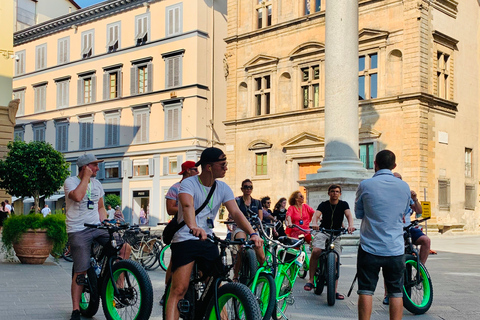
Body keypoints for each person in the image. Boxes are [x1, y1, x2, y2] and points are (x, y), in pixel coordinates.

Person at [165, 147, 264, 320]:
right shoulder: (189, 184)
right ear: (209, 167)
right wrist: (193, 226)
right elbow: (187, 206)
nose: (226, 167)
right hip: (185, 237)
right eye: (222, 164)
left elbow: (236, 213)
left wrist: (253, 233)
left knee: (216, 287)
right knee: (179, 289)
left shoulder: (223, 187)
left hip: (207, 238)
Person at [64, 154, 131, 320]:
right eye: (94, 165)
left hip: (97, 227)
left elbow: (100, 207)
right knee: (81, 270)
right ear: (85, 167)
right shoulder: (70, 182)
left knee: (124, 248)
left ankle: (118, 285)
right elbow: (78, 197)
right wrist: (85, 177)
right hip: (78, 229)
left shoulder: (97, 184)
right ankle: (75, 310)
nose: (98, 169)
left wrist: (105, 221)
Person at [355, 150, 411, 320]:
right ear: (394, 166)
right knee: (396, 292)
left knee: (366, 290)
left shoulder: (365, 185)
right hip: (395, 248)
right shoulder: (404, 186)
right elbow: (405, 212)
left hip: (369, 247)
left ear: (375, 164)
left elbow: (358, 213)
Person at [382, 172, 430, 305]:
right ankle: (387, 294)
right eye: (396, 179)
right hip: (395, 230)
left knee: (426, 241)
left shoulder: (406, 195)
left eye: (400, 179)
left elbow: (419, 211)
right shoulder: (388, 195)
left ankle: (420, 270)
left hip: (409, 228)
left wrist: (415, 199)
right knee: (390, 262)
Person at [304, 185, 355, 300]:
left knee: (336, 259)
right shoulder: (324, 204)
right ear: (329, 193)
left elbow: (348, 215)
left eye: (337, 192)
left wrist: (351, 225)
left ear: (340, 194)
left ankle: (334, 290)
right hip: (323, 231)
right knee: (316, 251)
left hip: (336, 233)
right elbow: (316, 215)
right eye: (332, 191)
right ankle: (311, 280)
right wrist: (315, 223)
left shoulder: (344, 204)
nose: (335, 193)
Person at [160, 160, 199, 305]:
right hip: (180, 227)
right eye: (195, 169)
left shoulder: (198, 187)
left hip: (197, 227)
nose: (198, 172)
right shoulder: (175, 188)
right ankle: (167, 291)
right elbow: (170, 209)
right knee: (174, 262)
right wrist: (187, 209)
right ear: (188, 171)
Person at [230, 179, 263, 281]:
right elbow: (232, 214)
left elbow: (260, 218)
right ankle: (236, 275)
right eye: (246, 187)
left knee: (261, 255)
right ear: (242, 188)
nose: (248, 189)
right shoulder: (237, 201)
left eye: (250, 187)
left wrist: (256, 228)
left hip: (254, 228)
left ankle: (261, 273)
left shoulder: (257, 203)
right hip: (240, 227)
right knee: (242, 246)